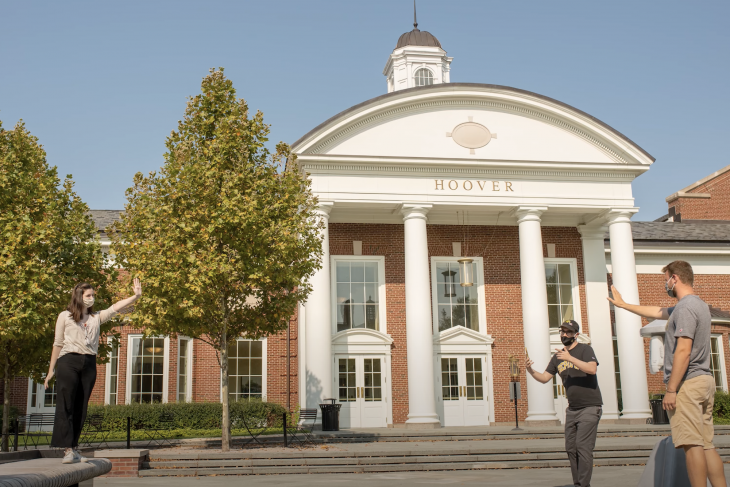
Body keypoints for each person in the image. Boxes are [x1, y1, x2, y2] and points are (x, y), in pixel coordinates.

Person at [608, 260, 726, 487]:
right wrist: (623, 305)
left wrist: (671, 389)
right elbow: (657, 311)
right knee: (706, 444)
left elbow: (683, 350)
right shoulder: (699, 305)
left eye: (666, 280)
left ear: (675, 278)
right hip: (704, 380)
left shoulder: (684, 308)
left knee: (692, 446)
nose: (666, 285)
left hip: (688, 384)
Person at [44, 278, 142, 464]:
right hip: (68, 360)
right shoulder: (64, 316)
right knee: (67, 404)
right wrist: (51, 370)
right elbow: (57, 343)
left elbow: (115, 307)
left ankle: (74, 447)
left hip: (89, 362)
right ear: (79, 297)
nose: (92, 298)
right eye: (88, 295)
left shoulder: (96, 317)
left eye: (93, 295)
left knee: (81, 406)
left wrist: (135, 296)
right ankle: (67, 450)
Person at [526, 319, 602, 487]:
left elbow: (592, 369)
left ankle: (583, 484)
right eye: (562, 331)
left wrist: (570, 358)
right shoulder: (558, 357)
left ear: (576, 334)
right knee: (571, 448)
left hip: (590, 407)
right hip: (573, 409)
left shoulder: (585, 349)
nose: (564, 335)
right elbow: (545, 378)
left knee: (583, 447)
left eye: (568, 332)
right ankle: (578, 483)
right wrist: (531, 371)